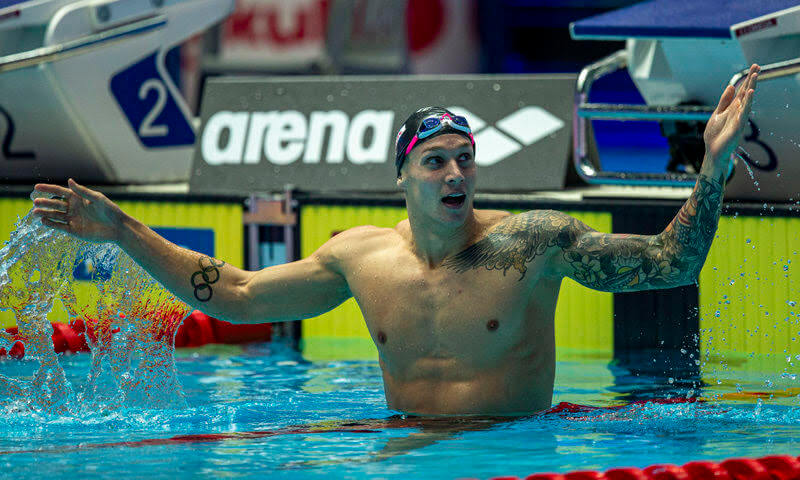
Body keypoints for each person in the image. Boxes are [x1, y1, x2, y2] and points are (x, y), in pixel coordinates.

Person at [32, 65, 760, 416]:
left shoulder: (535, 244)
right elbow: (240, 294)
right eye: (435, 161)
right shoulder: (360, 257)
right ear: (404, 178)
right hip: (404, 453)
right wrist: (122, 229)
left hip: (519, 455)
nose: (455, 174)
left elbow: (672, 263)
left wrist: (714, 166)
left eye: (465, 159)